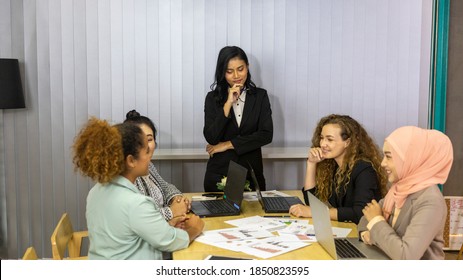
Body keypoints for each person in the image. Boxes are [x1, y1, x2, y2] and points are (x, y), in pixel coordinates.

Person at [72, 117, 204, 259]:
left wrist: (167, 225)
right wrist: (194, 229)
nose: (150, 157)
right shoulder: (136, 203)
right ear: (131, 160)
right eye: (146, 152)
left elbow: (127, 233)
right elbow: (169, 242)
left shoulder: (95, 192)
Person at [358, 126, 453, 260]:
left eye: (389, 157)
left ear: (410, 159)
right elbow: (364, 221)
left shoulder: (430, 201)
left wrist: (375, 222)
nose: (382, 163)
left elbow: (406, 256)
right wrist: (372, 231)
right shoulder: (398, 189)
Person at [289, 114, 387, 224]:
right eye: (322, 138)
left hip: (363, 234)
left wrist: (316, 212)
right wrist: (311, 164)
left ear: (347, 142)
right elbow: (312, 204)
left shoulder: (364, 169)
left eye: (329, 140)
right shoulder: (333, 166)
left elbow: (361, 213)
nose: (323, 144)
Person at [203, 46, 273, 192]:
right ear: (222, 72)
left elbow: (266, 135)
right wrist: (228, 103)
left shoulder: (260, 97)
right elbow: (211, 137)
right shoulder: (212, 98)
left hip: (252, 173)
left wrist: (228, 144)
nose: (236, 75)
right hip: (219, 174)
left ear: (247, 67)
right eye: (229, 71)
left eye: (240, 69)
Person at [124, 110, 190, 222]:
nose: (146, 146)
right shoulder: (127, 174)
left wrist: (176, 198)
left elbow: (164, 186)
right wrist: (172, 211)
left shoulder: (148, 165)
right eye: (139, 141)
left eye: (149, 139)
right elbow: (140, 216)